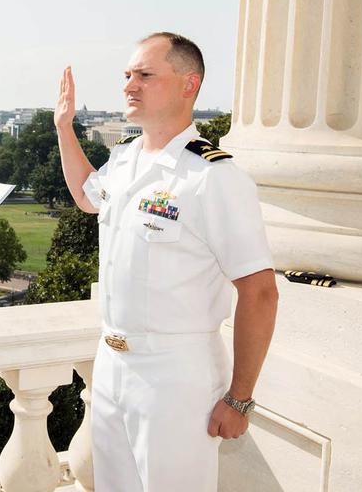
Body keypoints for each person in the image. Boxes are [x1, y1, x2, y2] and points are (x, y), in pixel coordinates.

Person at [54, 32, 278, 491]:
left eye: (146, 75)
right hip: (113, 366)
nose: (130, 85)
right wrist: (64, 128)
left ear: (188, 84)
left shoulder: (213, 177)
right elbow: (85, 196)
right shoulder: (125, 160)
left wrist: (240, 399)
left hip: (176, 376)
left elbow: (260, 291)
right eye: (128, 75)